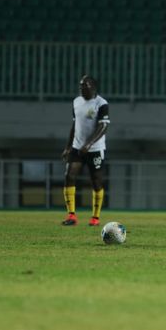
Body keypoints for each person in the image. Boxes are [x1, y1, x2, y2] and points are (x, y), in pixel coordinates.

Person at [60, 75, 110, 226]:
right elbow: (74, 125)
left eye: (85, 86)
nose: (82, 89)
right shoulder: (76, 102)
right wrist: (68, 147)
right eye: (80, 86)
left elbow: (104, 126)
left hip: (95, 149)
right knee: (69, 176)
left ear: (93, 87)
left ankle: (95, 217)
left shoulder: (101, 103)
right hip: (77, 147)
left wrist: (89, 144)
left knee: (96, 181)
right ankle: (71, 216)